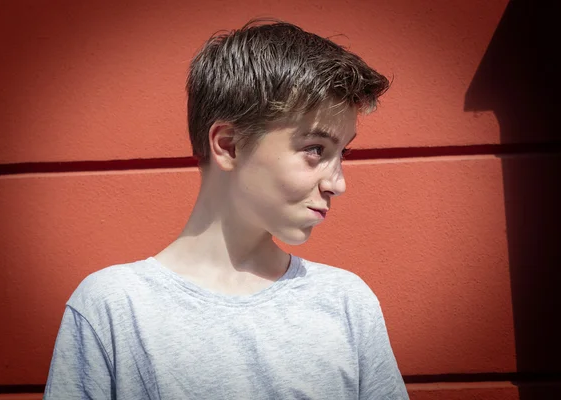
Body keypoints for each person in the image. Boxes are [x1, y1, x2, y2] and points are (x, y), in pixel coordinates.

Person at [44, 19, 409, 399]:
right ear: (229, 145)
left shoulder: (347, 303)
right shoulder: (114, 310)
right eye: (316, 150)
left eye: (341, 154)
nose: (338, 183)